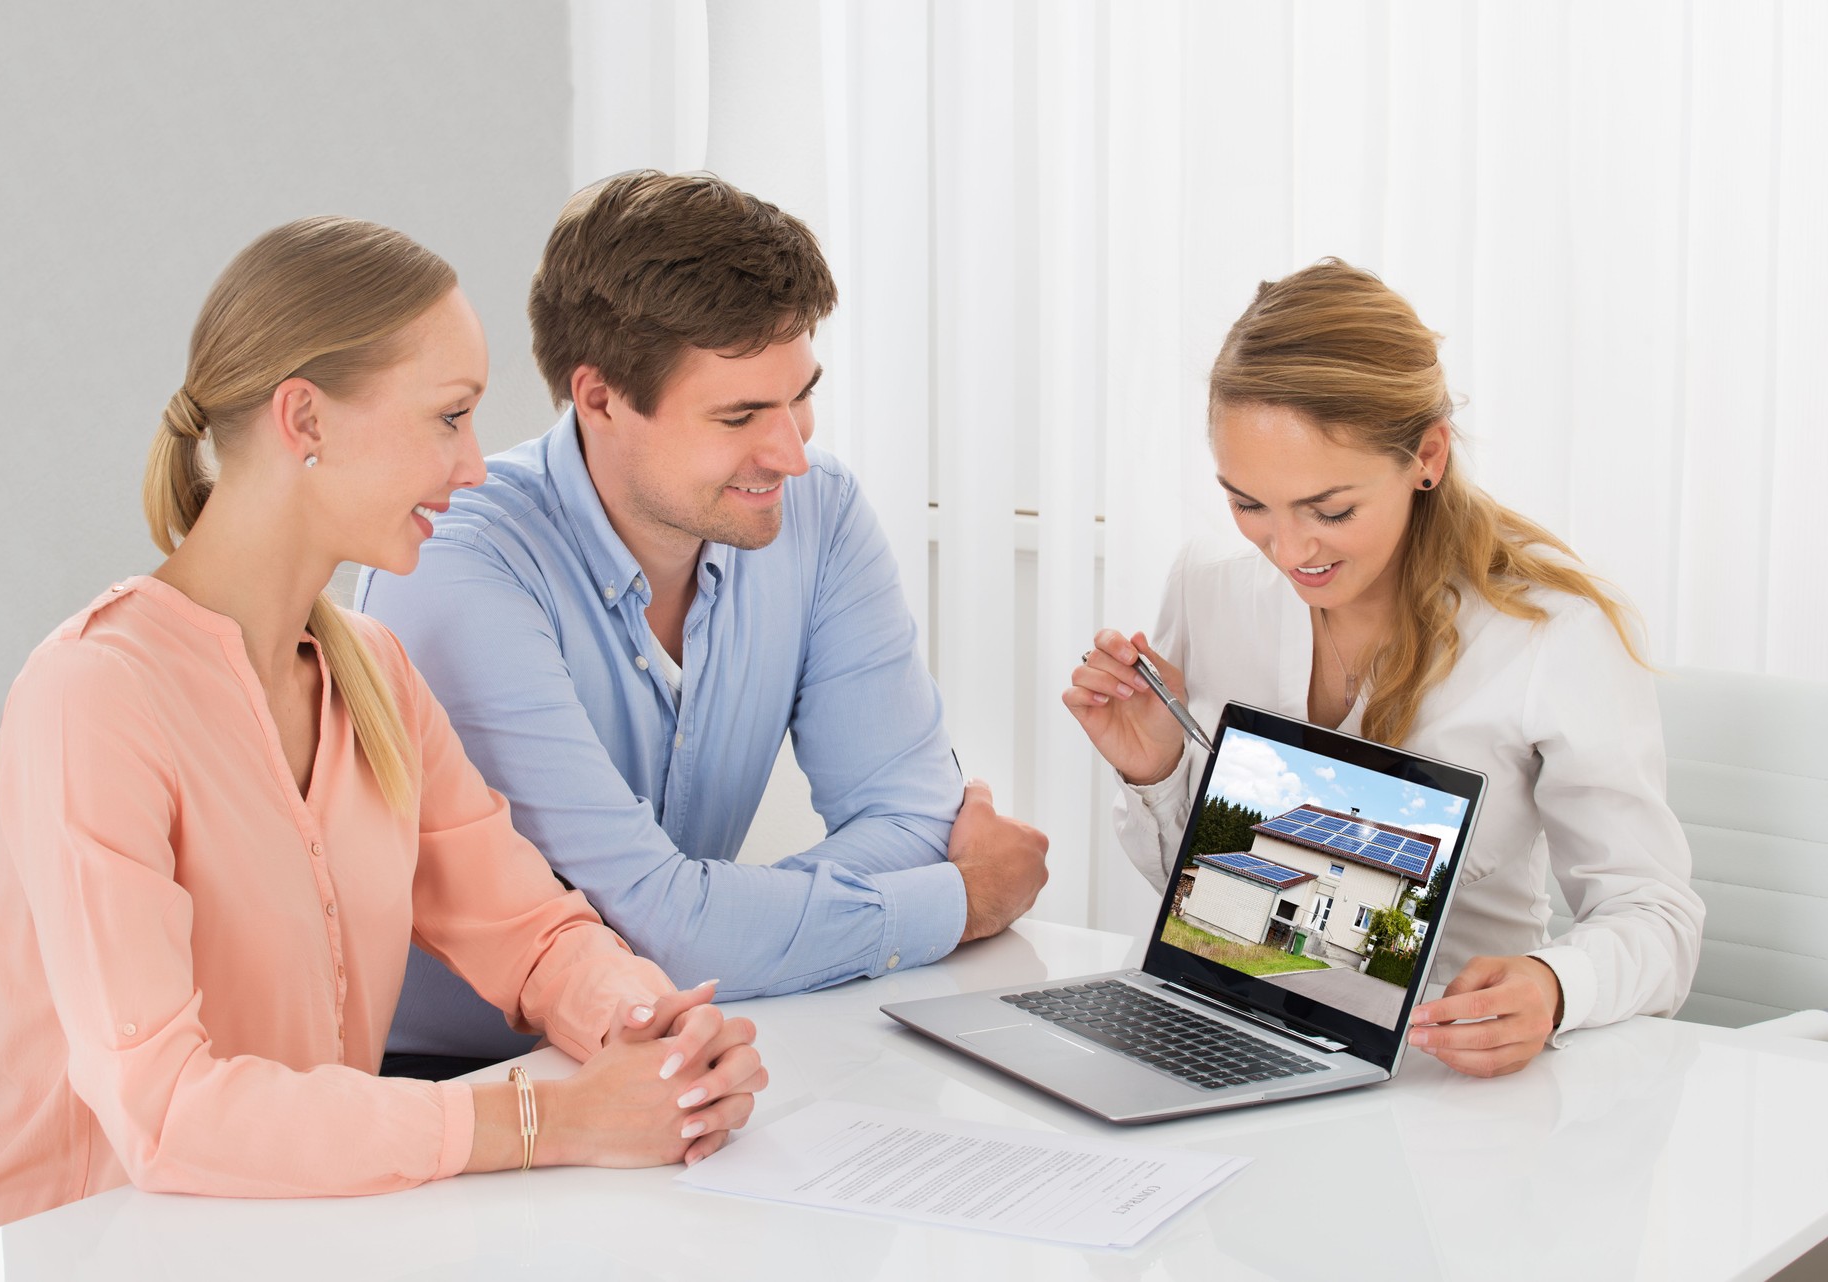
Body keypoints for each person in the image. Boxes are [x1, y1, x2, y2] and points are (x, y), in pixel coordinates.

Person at [0, 218, 764, 1239]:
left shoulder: (373, 673)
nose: (473, 467)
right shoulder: (94, 695)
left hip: (303, 1239)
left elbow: (532, 932)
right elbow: (165, 1112)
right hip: (88, 1250)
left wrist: (654, 1031)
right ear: (305, 419)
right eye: (449, 417)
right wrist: (541, 1121)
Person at [358, 170, 1048, 1071]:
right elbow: (669, 937)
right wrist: (957, 901)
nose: (792, 452)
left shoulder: (819, 513)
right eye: (739, 415)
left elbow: (913, 816)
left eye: (800, 394)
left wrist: (713, 919)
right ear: (599, 399)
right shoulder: (461, 564)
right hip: (457, 1087)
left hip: (673, 1054)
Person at [1065, 259, 1704, 1079]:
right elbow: (1204, 903)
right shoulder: (1210, 579)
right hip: (1229, 1039)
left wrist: (1553, 984)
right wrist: (1155, 770)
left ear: (1427, 455)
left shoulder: (1552, 630)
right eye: (1249, 502)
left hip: (1443, 1073)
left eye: (1331, 511)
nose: (1288, 551)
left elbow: (1656, 914)